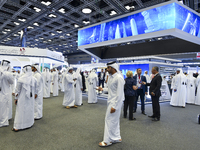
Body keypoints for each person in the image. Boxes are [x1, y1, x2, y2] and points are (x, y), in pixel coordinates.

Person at [97, 61, 125, 147]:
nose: (107, 69)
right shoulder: (111, 77)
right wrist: (103, 89)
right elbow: (110, 89)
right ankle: (116, 137)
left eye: (108, 68)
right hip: (111, 101)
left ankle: (107, 140)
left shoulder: (119, 78)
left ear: (113, 68)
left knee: (109, 120)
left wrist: (115, 106)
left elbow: (120, 94)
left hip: (115, 102)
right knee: (114, 121)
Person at [12, 65, 37, 132]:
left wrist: (16, 98)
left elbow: (17, 90)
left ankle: (17, 126)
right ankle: (29, 124)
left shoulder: (21, 79)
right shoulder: (34, 79)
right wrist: (35, 94)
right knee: (29, 110)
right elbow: (36, 89)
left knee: (20, 111)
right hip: (31, 98)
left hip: (22, 98)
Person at [0, 60, 14, 127]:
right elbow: (11, 82)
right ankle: (4, 121)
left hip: (1, 91)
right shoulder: (7, 73)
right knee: (5, 106)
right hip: (6, 91)